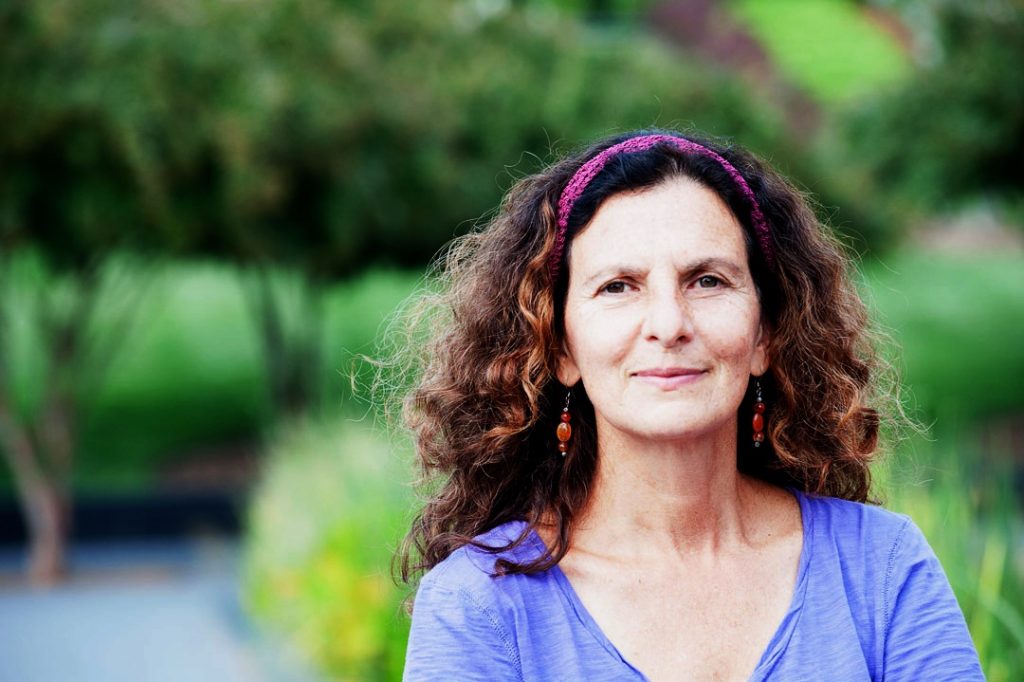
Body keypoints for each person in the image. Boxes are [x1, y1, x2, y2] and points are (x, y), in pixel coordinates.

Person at [396, 131, 983, 680]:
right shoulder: (479, 603)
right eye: (618, 286)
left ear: (765, 335)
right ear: (559, 347)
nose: (669, 324)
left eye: (707, 280)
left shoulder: (881, 567)